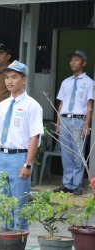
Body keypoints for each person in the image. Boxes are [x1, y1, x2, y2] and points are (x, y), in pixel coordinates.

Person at [0, 60, 43, 230]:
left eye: (14, 77)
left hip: (19, 157)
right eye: (7, 77)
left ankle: (18, 241)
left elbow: (34, 137)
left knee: (19, 204)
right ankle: (4, 240)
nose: (9, 81)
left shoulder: (32, 106)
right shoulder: (1, 106)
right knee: (2, 204)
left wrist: (28, 163)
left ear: (24, 80)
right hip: (1, 157)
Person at [54, 50, 94, 196]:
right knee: (66, 153)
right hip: (65, 119)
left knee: (78, 154)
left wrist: (87, 125)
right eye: (71, 60)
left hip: (79, 120)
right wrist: (58, 124)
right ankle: (67, 184)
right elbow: (61, 104)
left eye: (77, 60)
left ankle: (77, 184)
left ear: (83, 63)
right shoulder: (66, 82)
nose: (73, 62)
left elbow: (90, 105)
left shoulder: (89, 82)